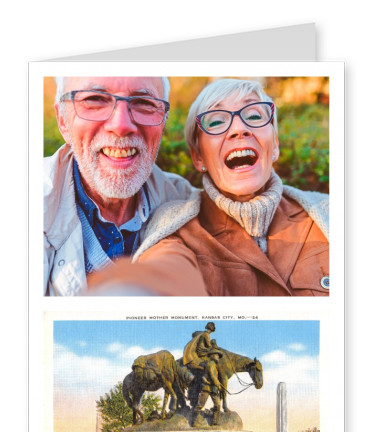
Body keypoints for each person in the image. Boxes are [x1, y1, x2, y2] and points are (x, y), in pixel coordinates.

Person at [87, 78, 329, 296]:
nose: (239, 129)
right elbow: (165, 271)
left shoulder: (328, 213)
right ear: (198, 157)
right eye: (216, 121)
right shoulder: (176, 229)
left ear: (274, 144)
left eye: (254, 116)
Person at [44, 76, 199, 296]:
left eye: (144, 103)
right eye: (95, 99)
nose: (121, 126)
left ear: (163, 121)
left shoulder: (187, 204)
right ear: (62, 120)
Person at [191, 351, 224, 427]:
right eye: (216, 355)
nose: (218, 357)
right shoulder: (211, 364)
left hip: (213, 389)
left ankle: (215, 422)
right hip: (207, 388)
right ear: (212, 355)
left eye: (218, 355)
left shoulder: (214, 365)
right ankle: (193, 422)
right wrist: (218, 385)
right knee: (200, 405)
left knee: (217, 405)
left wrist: (218, 385)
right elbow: (213, 376)